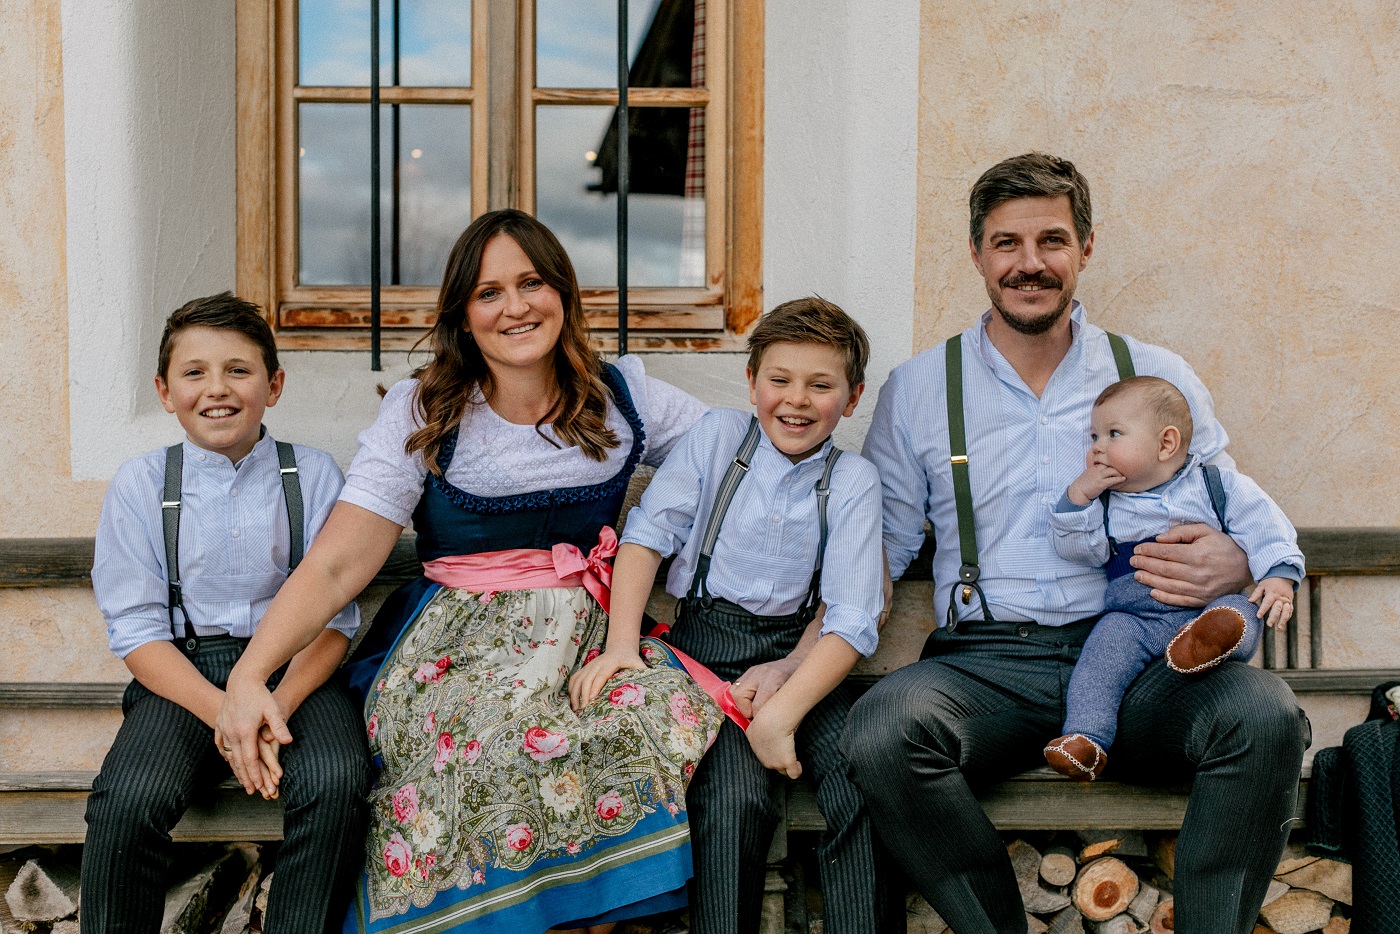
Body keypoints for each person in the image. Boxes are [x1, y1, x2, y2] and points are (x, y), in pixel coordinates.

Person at [215, 210, 724, 934]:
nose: (515, 306)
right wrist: (249, 675)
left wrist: (657, 532)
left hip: (588, 633)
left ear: (563, 294)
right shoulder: (423, 409)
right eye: (489, 293)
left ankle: (588, 920)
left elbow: (729, 461)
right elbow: (335, 565)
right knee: (491, 748)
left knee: (646, 719)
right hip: (456, 650)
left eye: (531, 282)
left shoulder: (623, 396)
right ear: (463, 314)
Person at [845, 153, 1310, 934]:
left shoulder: (1155, 374)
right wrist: (799, 657)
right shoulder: (922, 388)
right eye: (1007, 243)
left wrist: (1239, 562)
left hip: (1140, 662)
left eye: (1052, 240)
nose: (1030, 264)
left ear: (1086, 248)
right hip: (989, 664)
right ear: (977, 254)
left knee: (1263, 717)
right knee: (886, 728)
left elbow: (1229, 503)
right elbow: (880, 552)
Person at [572, 297, 892, 934]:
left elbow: (853, 616)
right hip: (702, 652)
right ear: (752, 383)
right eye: (779, 379)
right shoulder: (718, 437)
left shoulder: (853, 481)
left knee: (861, 781)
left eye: (820, 385)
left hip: (802, 660)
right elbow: (646, 538)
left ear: (851, 399)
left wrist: (782, 707)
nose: (796, 400)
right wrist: (621, 646)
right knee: (735, 800)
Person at [83, 293, 371, 933]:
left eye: (239, 370)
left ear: (274, 385)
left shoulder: (315, 475)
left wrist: (279, 705)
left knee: (337, 781)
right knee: (127, 801)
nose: (218, 389)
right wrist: (230, 715)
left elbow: (332, 622)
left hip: (296, 672)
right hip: (182, 673)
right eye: (194, 373)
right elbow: (137, 633)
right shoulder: (140, 485)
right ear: (164, 391)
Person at [1043, 375, 1305, 780]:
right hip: (1133, 619)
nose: (1097, 446)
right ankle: (1086, 741)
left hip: (1205, 608)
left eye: (1113, 434)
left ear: (1166, 443)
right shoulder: (1108, 503)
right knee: (1099, 662)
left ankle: (1208, 642)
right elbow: (1080, 550)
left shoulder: (1217, 486)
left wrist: (1279, 576)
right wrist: (1078, 497)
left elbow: (1266, 527)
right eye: (1094, 435)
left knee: (1240, 611)